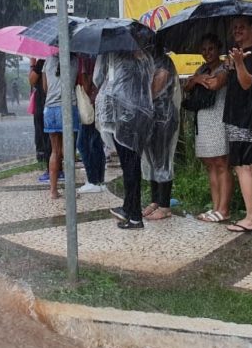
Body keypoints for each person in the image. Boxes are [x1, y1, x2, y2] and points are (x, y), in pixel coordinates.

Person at [95, 48, 154, 229]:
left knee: (129, 167)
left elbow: (97, 79)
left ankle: (134, 216)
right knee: (132, 165)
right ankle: (129, 208)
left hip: (122, 116)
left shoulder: (112, 55)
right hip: (141, 114)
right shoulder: (144, 56)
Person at [224, 16, 252, 233]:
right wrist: (233, 63)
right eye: (235, 27)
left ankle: (251, 218)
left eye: (242, 26)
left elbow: (247, 83)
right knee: (249, 166)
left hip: (244, 119)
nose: (237, 30)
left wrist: (239, 63)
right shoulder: (240, 54)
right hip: (240, 117)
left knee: (242, 167)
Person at [183, 33, 231, 222]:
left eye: (211, 48)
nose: (207, 53)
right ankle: (215, 207)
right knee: (210, 164)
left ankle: (224, 209)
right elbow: (187, 85)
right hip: (203, 120)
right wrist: (196, 79)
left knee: (222, 163)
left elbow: (215, 84)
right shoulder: (201, 68)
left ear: (218, 48)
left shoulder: (225, 66)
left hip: (219, 118)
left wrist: (199, 79)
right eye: (203, 49)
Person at [141, 50, 180, 220]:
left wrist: (140, 93)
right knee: (152, 160)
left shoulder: (163, 61)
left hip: (163, 116)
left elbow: (156, 87)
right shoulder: (146, 60)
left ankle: (164, 205)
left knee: (162, 160)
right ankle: (155, 200)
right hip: (150, 116)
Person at [42, 53, 80, 200]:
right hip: (68, 108)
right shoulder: (75, 60)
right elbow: (78, 82)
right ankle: (70, 189)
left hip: (50, 109)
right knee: (68, 151)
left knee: (55, 151)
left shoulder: (48, 60)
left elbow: (45, 87)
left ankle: (53, 191)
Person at [76, 55, 107, 194]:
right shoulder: (99, 56)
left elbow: (87, 85)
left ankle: (93, 179)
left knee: (83, 144)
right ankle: (100, 180)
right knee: (96, 143)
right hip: (100, 103)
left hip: (90, 105)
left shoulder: (85, 59)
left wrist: (81, 76)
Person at [29, 58, 53, 182]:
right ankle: (57, 169)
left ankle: (52, 171)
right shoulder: (71, 59)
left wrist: (32, 65)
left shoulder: (43, 61)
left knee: (47, 139)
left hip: (44, 105)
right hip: (58, 104)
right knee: (56, 140)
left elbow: (32, 81)